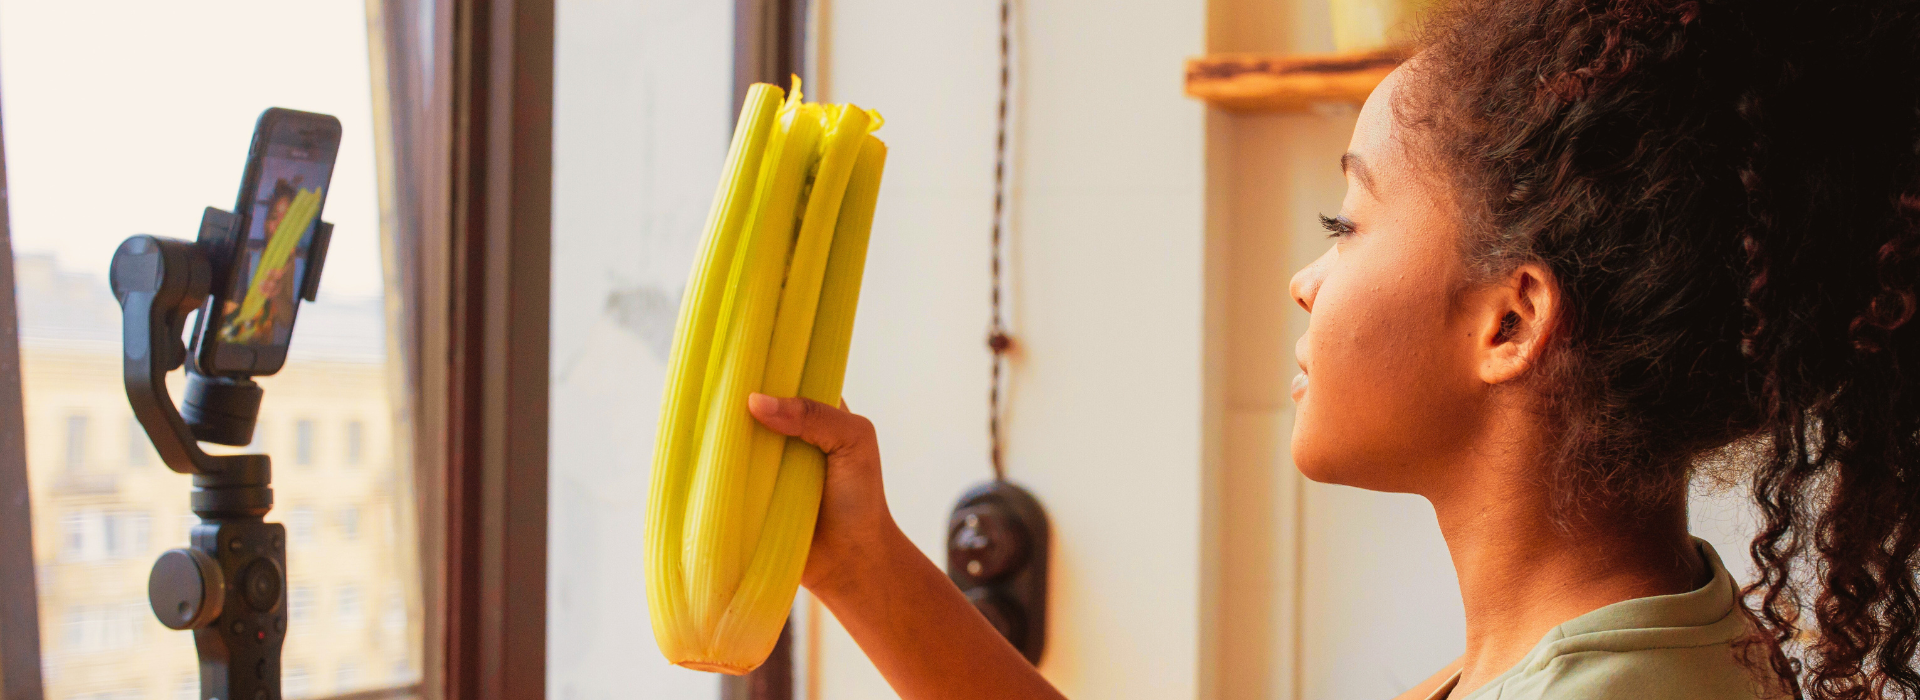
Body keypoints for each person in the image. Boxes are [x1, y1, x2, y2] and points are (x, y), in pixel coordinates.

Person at [744, 0, 1920, 697]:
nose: (1307, 280)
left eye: (1344, 222)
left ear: (1509, 322)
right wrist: (862, 563)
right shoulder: (1603, 646)